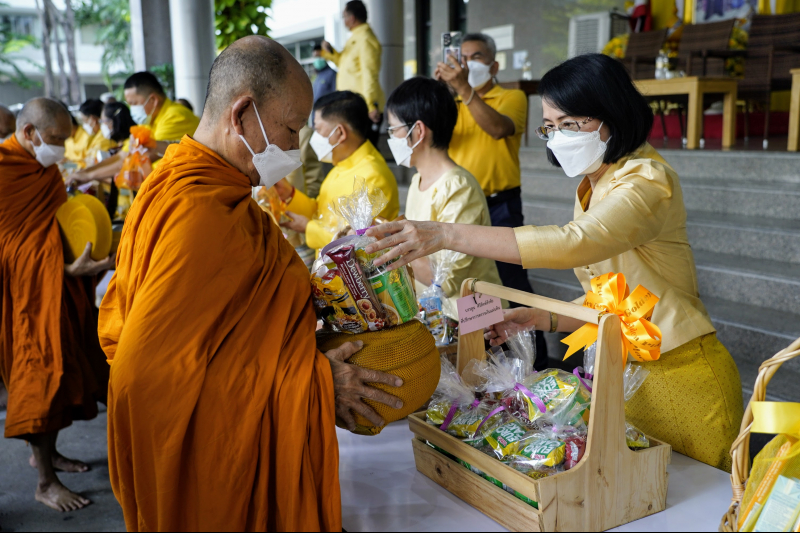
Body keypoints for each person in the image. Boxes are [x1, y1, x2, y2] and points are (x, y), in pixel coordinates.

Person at [366, 54, 744, 472]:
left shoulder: (648, 180)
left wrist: (445, 234)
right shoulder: (595, 183)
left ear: (610, 114)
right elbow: (614, 299)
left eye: (569, 124)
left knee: (699, 495)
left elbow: (575, 243)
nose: (557, 137)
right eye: (550, 127)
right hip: (627, 373)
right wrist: (541, 318)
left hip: (682, 372)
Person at [98, 36, 404, 531]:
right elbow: (146, 380)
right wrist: (310, 384)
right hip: (210, 474)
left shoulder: (211, 189)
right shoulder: (197, 213)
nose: (294, 147)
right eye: (289, 128)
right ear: (241, 115)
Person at [0, 97, 114, 512]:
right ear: (29, 132)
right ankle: (44, 482)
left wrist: (82, 261)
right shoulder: (4, 169)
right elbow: (10, 246)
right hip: (26, 297)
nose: (62, 149)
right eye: (55, 139)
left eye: (67, 139)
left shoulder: (42, 168)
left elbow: (53, 224)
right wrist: (63, 268)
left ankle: (47, 453)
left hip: (59, 289)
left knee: (66, 370)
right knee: (39, 375)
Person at [435, 32, 548, 365]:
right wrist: (444, 90)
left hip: (500, 205)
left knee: (513, 286)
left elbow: (499, 129)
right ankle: (487, 365)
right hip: (460, 204)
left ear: (494, 64)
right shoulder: (451, 102)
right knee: (473, 286)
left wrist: (465, 90)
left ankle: (536, 364)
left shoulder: (511, 96)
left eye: (477, 57)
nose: (467, 63)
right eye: (462, 56)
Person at [385, 76, 502, 318]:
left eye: (393, 130)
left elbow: (447, 280)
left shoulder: (458, 187)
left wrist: (388, 254)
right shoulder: (419, 180)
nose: (390, 139)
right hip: (438, 313)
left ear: (418, 131)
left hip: (474, 320)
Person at [278, 90, 399, 255]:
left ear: (340, 133)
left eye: (318, 129)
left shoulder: (372, 176)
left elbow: (356, 243)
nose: (315, 136)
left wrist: (308, 228)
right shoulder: (341, 166)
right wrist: (288, 193)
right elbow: (321, 213)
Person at [67, 72, 200, 188]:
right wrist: (84, 173)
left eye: (134, 104)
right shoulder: (150, 121)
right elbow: (122, 155)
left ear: (152, 100)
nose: (132, 110)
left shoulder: (175, 117)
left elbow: (136, 160)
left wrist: (88, 175)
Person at [320, 0, 383, 145]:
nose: (343, 21)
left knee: (364, 148)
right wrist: (330, 52)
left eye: (344, 17)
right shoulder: (355, 38)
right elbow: (345, 65)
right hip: (355, 105)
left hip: (363, 106)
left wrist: (371, 105)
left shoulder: (365, 39)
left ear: (352, 18)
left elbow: (370, 73)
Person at [78, 99, 116, 165]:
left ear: (93, 119)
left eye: (85, 121)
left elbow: (87, 164)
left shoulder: (103, 139)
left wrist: (67, 165)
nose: (85, 125)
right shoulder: (96, 137)